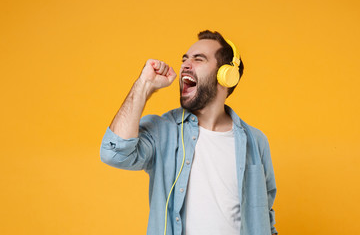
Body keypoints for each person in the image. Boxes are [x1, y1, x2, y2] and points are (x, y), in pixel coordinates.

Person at [100, 30, 277, 235]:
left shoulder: (255, 141)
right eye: (184, 59)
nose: (185, 64)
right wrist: (144, 84)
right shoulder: (163, 131)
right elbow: (114, 153)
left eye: (198, 59)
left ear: (226, 76)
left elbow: (265, 215)